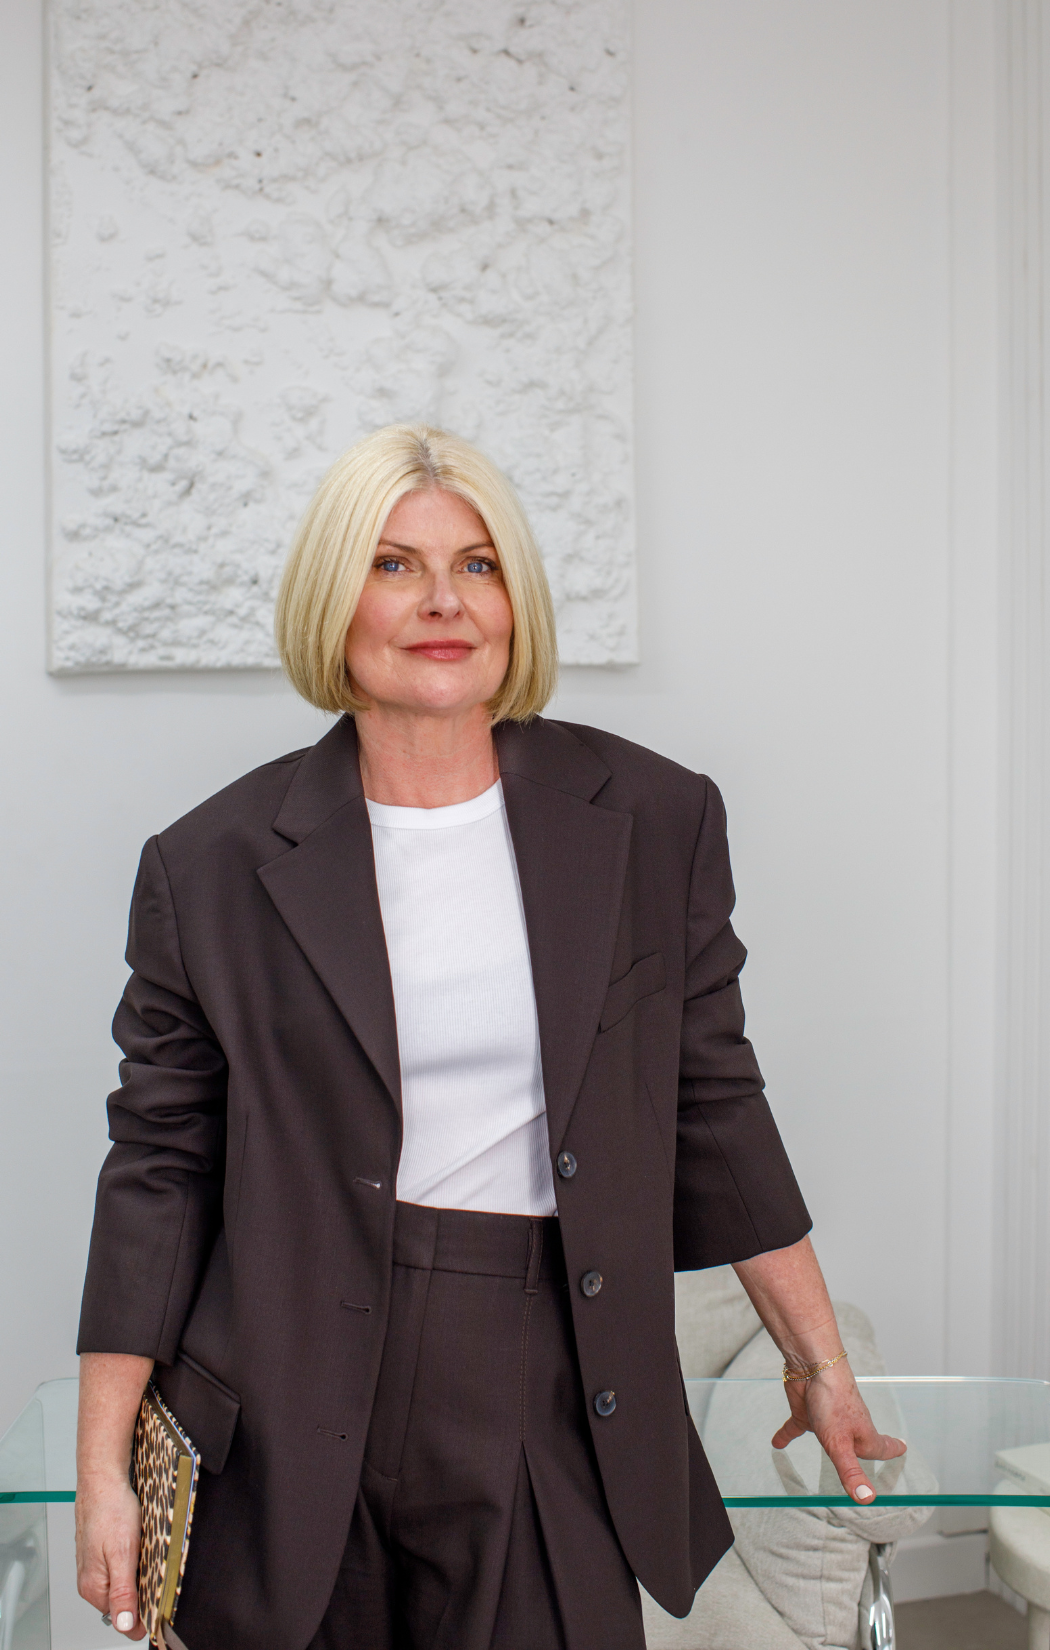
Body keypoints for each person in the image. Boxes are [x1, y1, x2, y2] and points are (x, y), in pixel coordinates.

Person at [75, 424, 904, 1650]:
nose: (443, 602)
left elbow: (714, 1102)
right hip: (286, 1393)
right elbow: (159, 1166)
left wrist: (819, 1363)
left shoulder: (653, 819)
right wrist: (102, 1465)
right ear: (332, 600)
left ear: (518, 601)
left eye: (478, 565)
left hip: (547, 1375)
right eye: (394, 565)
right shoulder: (206, 865)